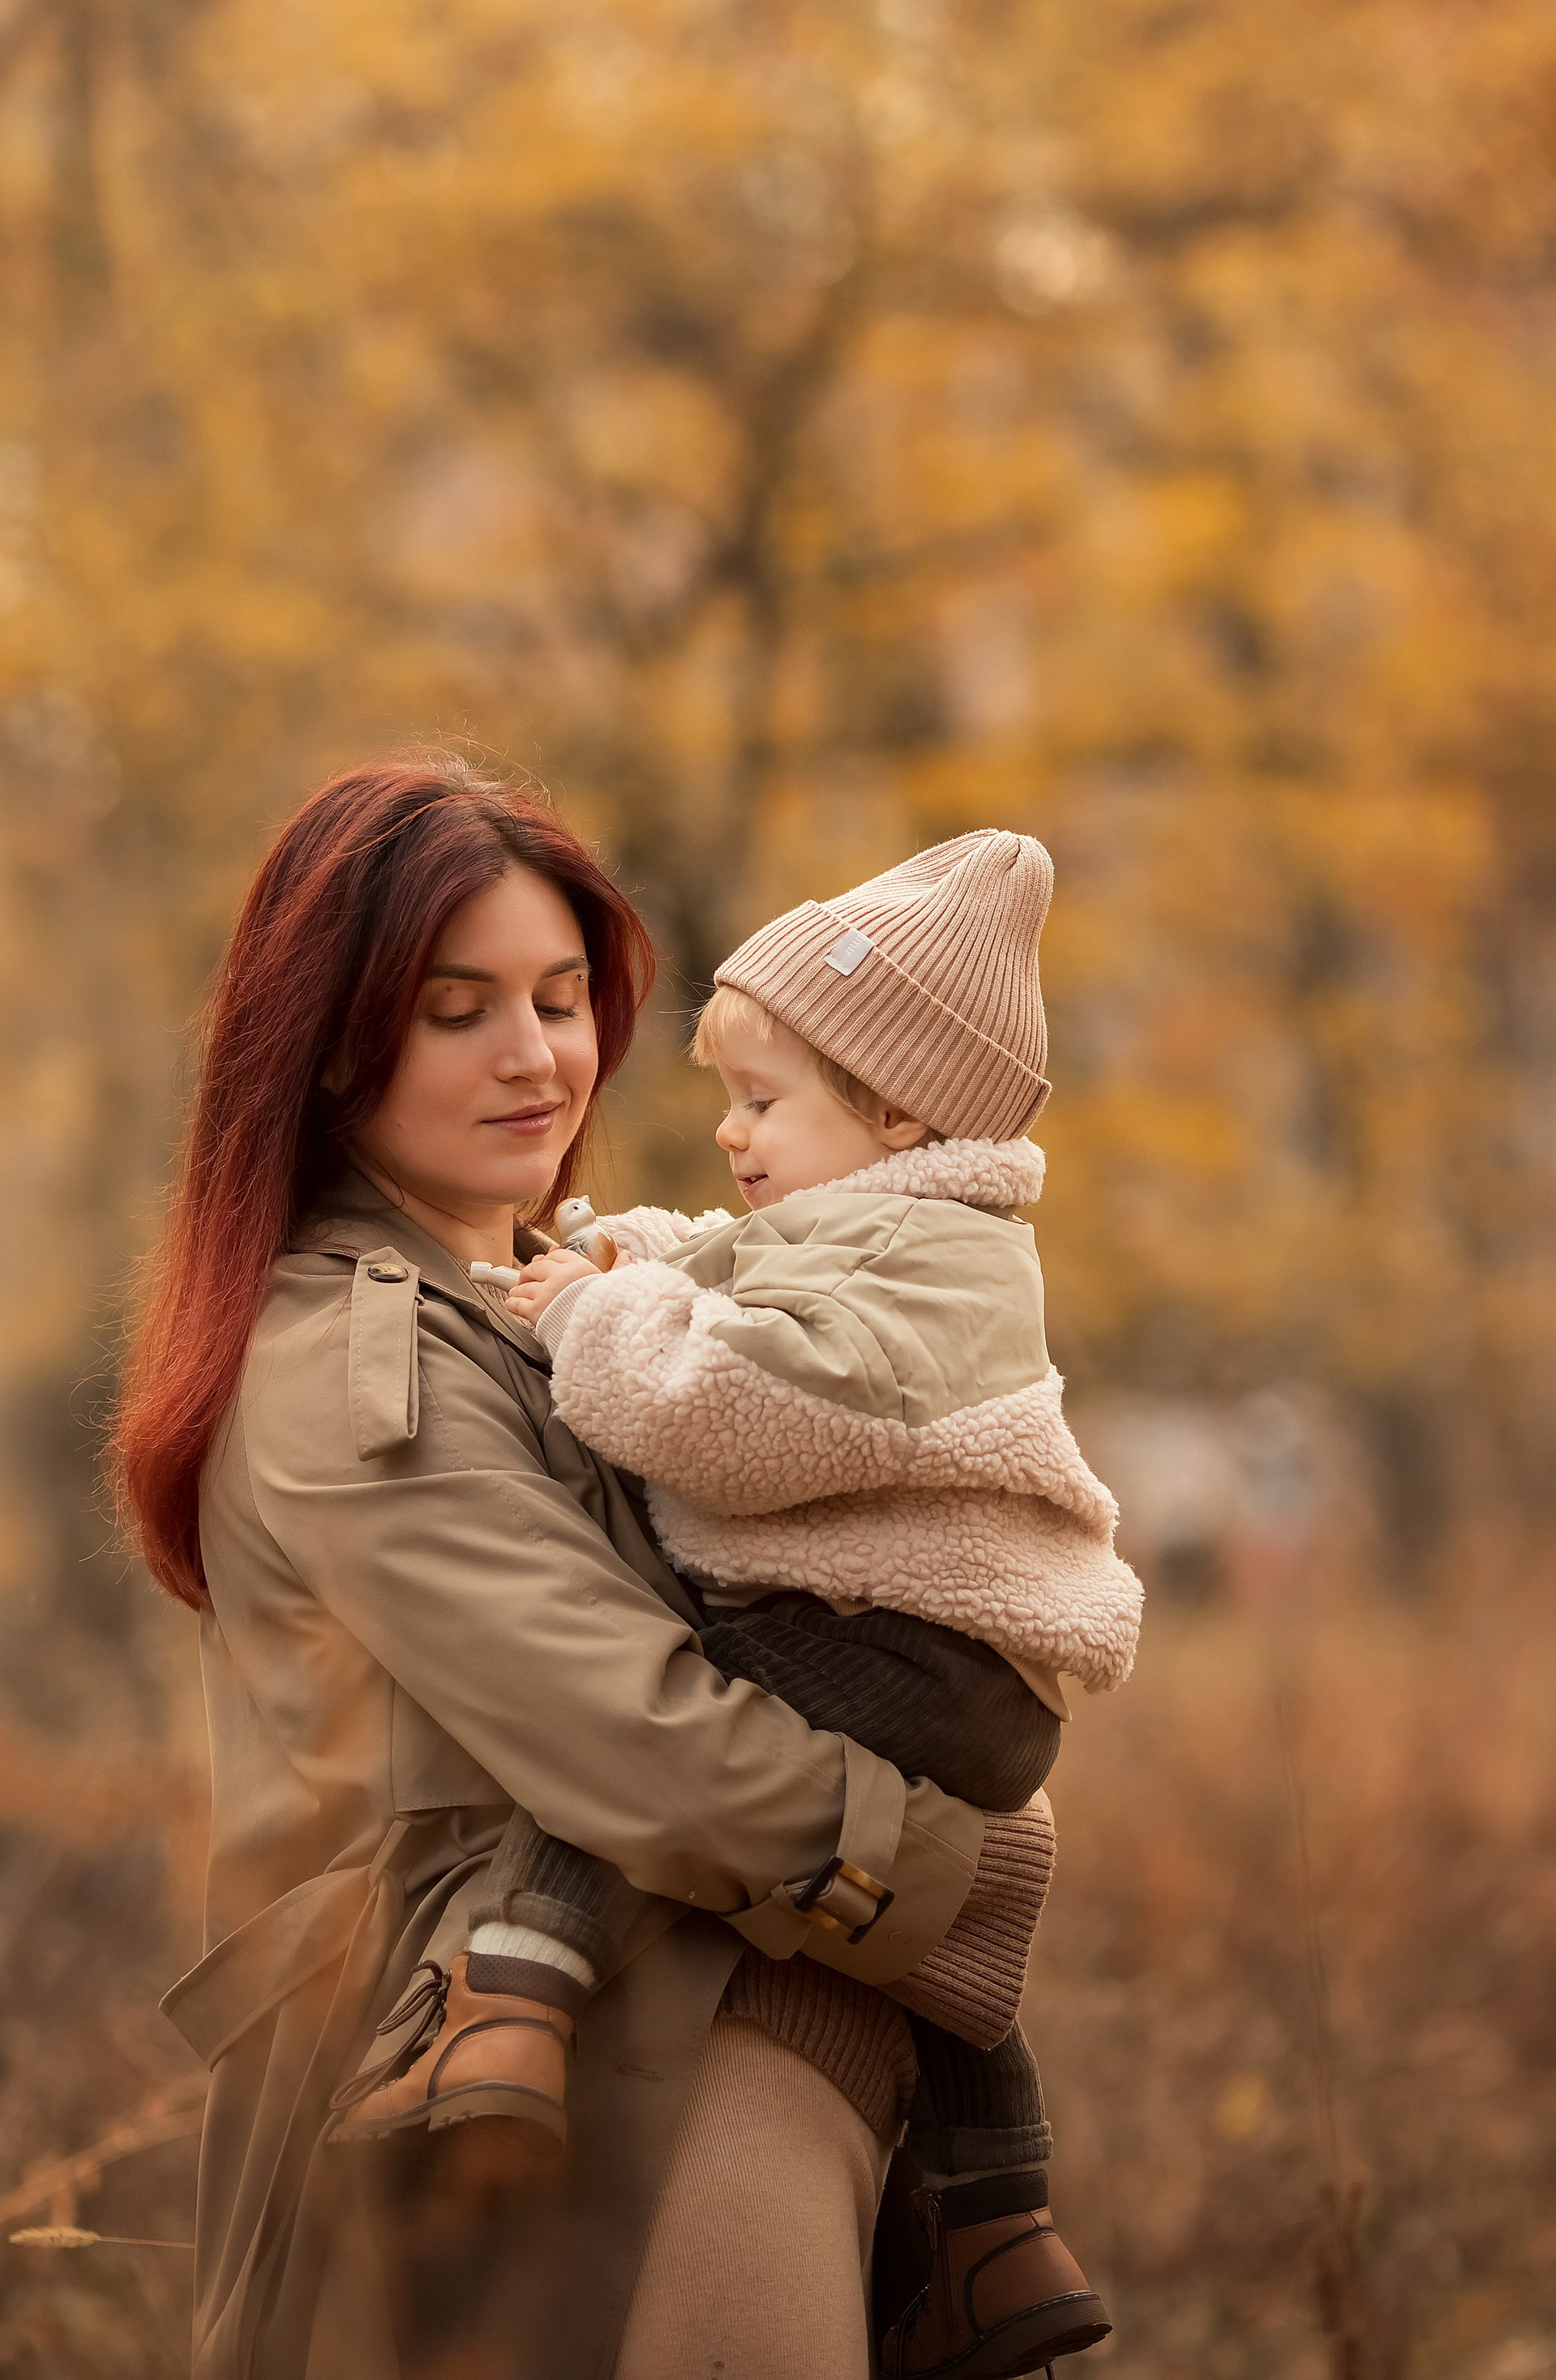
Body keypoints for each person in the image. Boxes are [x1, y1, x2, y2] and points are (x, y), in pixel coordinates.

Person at [113, 760, 1066, 2380]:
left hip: (679, 2066)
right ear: (333, 1042)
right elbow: (634, 1730)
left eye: (560, 1000)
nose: (534, 1058)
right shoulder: (353, 1377)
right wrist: (948, 1868)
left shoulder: (565, 1306)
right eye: (455, 1008)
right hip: (493, 2171)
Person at [332, 829, 1140, 2379]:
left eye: (765, 1103)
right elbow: (744, 1259)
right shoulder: (904, 1229)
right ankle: (997, 2223)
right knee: (952, 1959)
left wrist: (591, 1318)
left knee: (664, 1681)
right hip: (959, 1673)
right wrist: (623, 1251)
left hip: (899, 1644)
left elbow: (738, 1408)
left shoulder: (925, 1261)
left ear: (897, 1113)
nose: (729, 1135)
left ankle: (511, 1990)